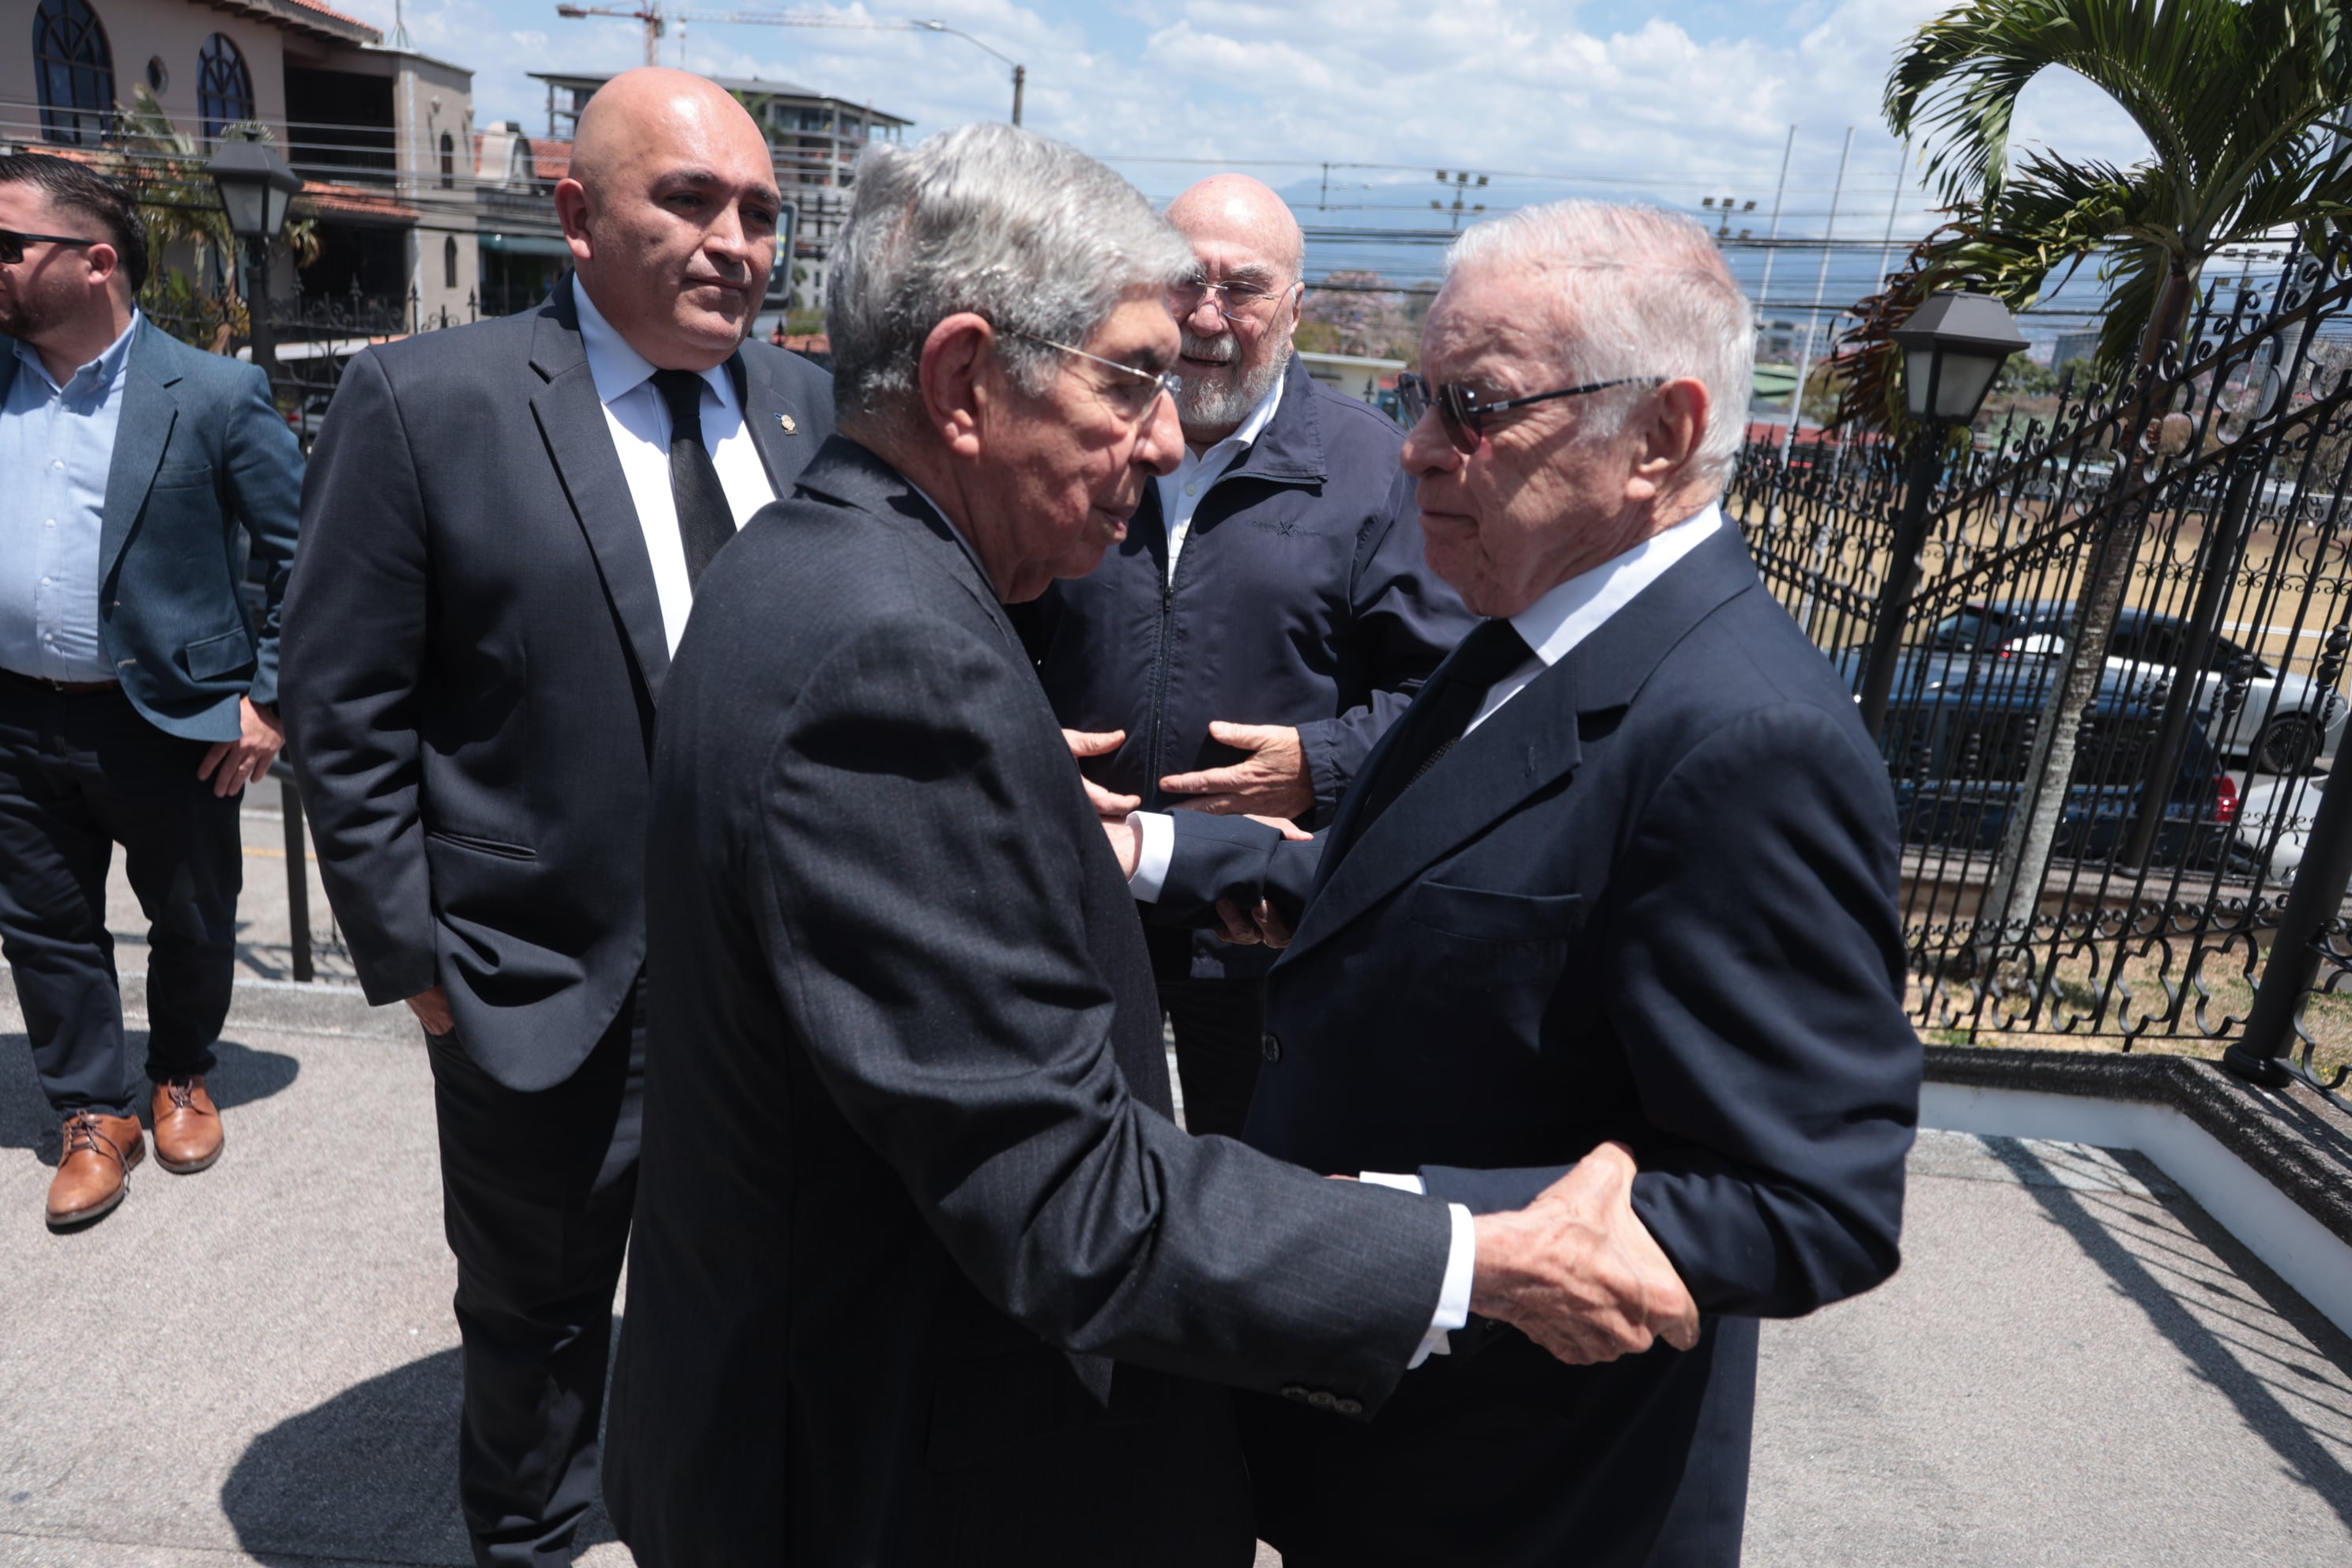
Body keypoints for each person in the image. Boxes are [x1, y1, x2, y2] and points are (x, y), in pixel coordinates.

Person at [602, 124, 1702, 1568]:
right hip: (890, 1474)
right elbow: (1071, 1198)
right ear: (964, 381)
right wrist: (1481, 1257)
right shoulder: (891, 654)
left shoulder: (816, 566)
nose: (1170, 435)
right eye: (1131, 378)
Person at [1126, 201, 1924, 1567]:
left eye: (1474, 405)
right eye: (1415, 398)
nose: (1418, 448)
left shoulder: (1742, 737)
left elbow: (1814, 1197)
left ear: (1659, 438)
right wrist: (1148, 849)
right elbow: (1422, 894)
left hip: (1531, 1498)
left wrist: (1398, 1220)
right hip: (1384, 1452)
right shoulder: (1520, 635)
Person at [280, 70, 835, 1568]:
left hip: (786, 988)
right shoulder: (427, 401)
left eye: (763, 213)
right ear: (576, 211)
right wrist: (418, 960)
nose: (737, 242)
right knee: (533, 1311)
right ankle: (528, 1534)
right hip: (547, 979)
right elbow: (343, 705)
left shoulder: (806, 406)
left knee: (761, 1293)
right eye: (693, 200)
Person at [1016, 174, 1471, 1137]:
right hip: (1073, 905)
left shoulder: (1367, 473)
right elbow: (989, 616)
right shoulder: (1075, 437)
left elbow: (1448, 689)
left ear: (1297, 310)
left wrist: (1322, 764)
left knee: (1253, 1205)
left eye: (1246, 288)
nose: (1211, 314)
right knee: (1070, 1190)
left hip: (1262, 924)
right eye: (1187, 280)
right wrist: (1017, 735)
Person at [0, 153, 302, 1231]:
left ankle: (179, 1073)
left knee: (191, 916)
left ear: (94, 262)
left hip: (171, 715)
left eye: (9, 244)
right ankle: (93, 1113)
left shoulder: (213, 392)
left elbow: (301, 550)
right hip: (16, 716)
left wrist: (268, 699)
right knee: (43, 927)